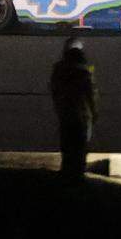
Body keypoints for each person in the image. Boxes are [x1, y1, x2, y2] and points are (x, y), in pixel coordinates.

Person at [49, 37, 98, 181]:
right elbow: (90, 93)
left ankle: (67, 174)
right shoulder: (84, 69)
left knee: (67, 145)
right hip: (82, 114)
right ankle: (78, 175)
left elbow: (54, 90)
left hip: (65, 112)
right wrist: (94, 112)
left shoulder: (59, 69)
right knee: (81, 145)